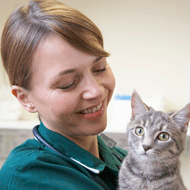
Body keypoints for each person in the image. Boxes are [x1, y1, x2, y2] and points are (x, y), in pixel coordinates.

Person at [0, 0, 128, 189]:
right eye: (67, 84)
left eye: (99, 69)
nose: (96, 91)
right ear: (25, 98)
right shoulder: (28, 176)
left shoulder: (122, 158)